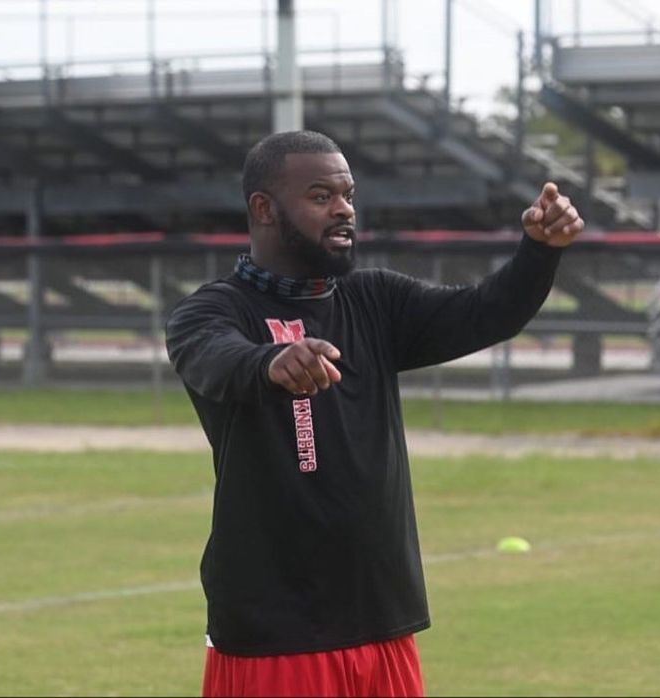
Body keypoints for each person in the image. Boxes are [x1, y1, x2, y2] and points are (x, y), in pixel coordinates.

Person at [165, 130, 584, 697]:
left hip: (381, 617)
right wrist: (271, 362)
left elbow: (487, 312)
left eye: (348, 195)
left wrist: (538, 251)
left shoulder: (374, 299)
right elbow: (214, 358)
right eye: (320, 196)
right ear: (263, 209)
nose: (343, 210)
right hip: (275, 631)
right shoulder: (214, 310)